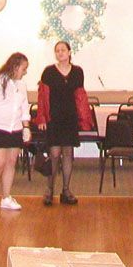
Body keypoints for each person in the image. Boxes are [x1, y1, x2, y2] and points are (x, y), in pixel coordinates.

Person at [34, 40, 93, 205]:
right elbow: (42, 97)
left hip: (70, 119)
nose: (60, 53)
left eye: (63, 50)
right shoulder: (48, 72)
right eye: (57, 51)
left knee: (68, 154)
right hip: (53, 119)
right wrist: (42, 118)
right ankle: (49, 190)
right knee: (53, 154)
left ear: (69, 52)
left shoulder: (77, 72)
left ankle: (66, 190)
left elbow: (81, 97)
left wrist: (84, 119)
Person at [0, 52, 30, 211]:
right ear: (15, 66)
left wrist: (26, 127)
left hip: (15, 127)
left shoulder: (22, 85)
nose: (25, 72)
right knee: (0, 161)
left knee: (11, 162)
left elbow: (24, 108)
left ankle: (6, 197)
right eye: (24, 68)